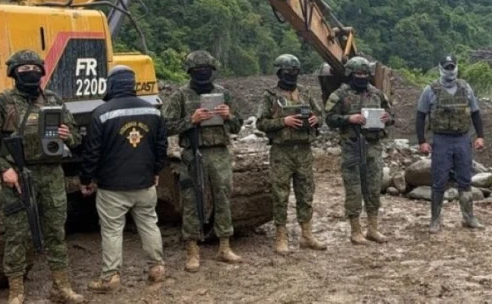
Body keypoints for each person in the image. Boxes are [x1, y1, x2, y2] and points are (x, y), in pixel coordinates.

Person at [0, 49, 84, 304]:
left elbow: (77, 138)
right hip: (18, 177)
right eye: (24, 70)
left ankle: (61, 287)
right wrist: (4, 168)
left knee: (56, 233)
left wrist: (68, 135)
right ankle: (16, 291)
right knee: (17, 236)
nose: (30, 74)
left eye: (35, 69)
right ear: (14, 74)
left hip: (51, 176)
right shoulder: (3, 103)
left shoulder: (54, 100)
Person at [79, 65, 168, 292]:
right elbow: (161, 146)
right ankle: (157, 268)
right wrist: (156, 171)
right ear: (132, 83)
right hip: (145, 183)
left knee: (111, 230)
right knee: (149, 224)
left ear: (111, 84)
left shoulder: (101, 113)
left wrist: (86, 179)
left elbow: (92, 152)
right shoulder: (154, 111)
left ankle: (110, 277)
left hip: (112, 187)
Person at [163, 50, 243, 272]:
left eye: (206, 70)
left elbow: (237, 126)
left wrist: (228, 116)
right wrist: (191, 120)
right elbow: (165, 127)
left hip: (219, 152)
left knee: (223, 197)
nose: (202, 73)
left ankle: (224, 246)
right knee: (191, 201)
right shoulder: (180, 96)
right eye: (198, 70)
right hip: (192, 153)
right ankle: (192, 250)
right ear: (190, 72)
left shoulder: (223, 94)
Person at [256, 54, 327, 255]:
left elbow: (320, 115)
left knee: (306, 192)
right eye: (287, 71)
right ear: (279, 72)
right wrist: (283, 122)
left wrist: (316, 120)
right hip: (282, 151)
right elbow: (261, 122)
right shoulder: (270, 95)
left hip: (304, 150)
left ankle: (307, 234)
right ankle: (281, 236)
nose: (291, 75)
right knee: (280, 194)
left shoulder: (305, 92)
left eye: (295, 72)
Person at [324, 56, 393, 245]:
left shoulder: (377, 94)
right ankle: (355, 231)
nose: (361, 77)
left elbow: (390, 114)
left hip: (373, 146)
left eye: (364, 74)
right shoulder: (340, 94)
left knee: (373, 188)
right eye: (358, 74)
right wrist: (348, 119)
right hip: (352, 147)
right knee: (353, 189)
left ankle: (373, 228)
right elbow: (329, 118)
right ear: (350, 74)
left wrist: (387, 118)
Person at [416, 54, 486, 233]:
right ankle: (435, 220)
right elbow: (420, 116)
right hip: (441, 140)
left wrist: (480, 136)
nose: (449, 70)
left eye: (452, 67)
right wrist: (422, 141)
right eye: (446, 67)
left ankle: (469, 218)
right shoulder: (430, 90)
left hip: (462, 138)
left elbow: (475, 113)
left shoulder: (466, 88)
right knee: (439, 180)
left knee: (465, 179)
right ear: (441, 68)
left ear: (456, 67)